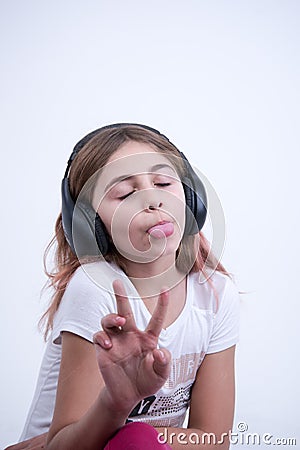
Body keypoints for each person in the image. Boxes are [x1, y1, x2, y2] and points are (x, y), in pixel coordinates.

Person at [6, 123, 240, 450]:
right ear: (91, 224)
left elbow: (215, 441)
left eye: (163, 182)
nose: (152, 200)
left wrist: (138, 435)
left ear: (191, 196)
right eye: (125, 193)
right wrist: (116, 404)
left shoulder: (214, 294)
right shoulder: (94, 289)